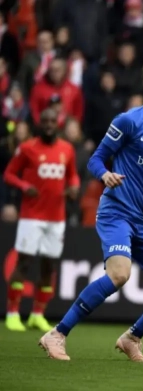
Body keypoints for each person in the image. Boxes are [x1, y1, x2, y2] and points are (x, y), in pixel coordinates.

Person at [38, 55, 143, 362]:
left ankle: (132, 337)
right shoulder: (129, 121)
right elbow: (95, 159)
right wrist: (105, 174)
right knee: (119, 275)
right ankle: (57, 334)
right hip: (116, 212)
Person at [3, 108, 80, 332]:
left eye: (52, 121)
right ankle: (12, 314)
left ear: (58, 124)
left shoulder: (67, 148)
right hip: (31, 216)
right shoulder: (27, 148)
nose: (48, 125)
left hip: (56, 217)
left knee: (49, 266)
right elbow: (9, 174)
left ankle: (37, 314)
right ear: (39, 123)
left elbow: (72, 175)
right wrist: (24, 186)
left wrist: (74, 187)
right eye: (44, 121)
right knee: (24, 263)